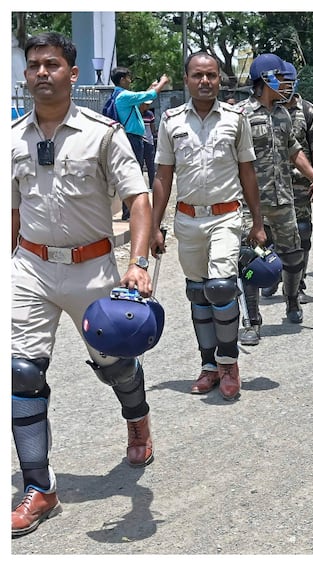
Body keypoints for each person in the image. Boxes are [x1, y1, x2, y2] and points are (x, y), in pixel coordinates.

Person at [11, 32, 154, 537]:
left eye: (52, 64)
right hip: (30, 267)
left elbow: (138, 199)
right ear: (25, 74)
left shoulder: (103, 133)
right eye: (33, 65)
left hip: (93, 269)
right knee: (23, 373)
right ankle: (39, 486)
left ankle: (136, 416)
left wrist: (137, 261)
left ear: (73, 75)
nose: (41, 72)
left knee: (114, 363)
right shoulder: (12, 137)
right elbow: (12, 209)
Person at [150, 51, 266, 400]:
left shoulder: (235, 119)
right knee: (198, 292)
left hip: (226, 216)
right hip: (187, 219)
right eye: (198, 75)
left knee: (220, 287)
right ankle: (208, 365)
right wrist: (155, 226)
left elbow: (248, 171)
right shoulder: (170, 122)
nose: (205, 81)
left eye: (211, 76)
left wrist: (257, 222)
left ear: (219, 79)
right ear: (186, 80)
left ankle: (229, 361)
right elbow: (162, 176)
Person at [235, 53, 313, 341]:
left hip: (283, 200)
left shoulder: (283, 114)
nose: (286, 84)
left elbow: (295, 151)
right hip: (250, 203)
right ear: (265, 80)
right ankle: (252, 321)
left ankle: (291, 299)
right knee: (250, 260)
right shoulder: (241, 115)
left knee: (293, 256)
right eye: (279, 77)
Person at [280, 60, 313, 305]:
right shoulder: (264, 110)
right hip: (270, 185)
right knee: (267, 234)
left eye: (289, 82)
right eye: (280, 82)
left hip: (300, 184)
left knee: (303, 234)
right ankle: (271, 277)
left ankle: (298, 284)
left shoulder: (308, 111)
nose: (284, 87)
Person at [109, 66, 170, 220]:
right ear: (122, 79)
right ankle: (129, 213)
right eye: (128, 78)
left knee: (132, 174)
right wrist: (163, 82)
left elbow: (144, 99)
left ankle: (129, 212)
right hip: (131, 139)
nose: (130, 81)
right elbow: (149, 95)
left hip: (134, 138)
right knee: (132, 175)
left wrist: (152, 87)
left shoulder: (121, 95)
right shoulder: (123, 96)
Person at [140, 101, 157, 191]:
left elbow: (152, 127)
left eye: (148, 105)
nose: (147, 106)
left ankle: (152, 186)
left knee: (151, 165)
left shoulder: (150, 114)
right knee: (140, 164)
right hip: (140, 141)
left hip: (149, 142)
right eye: (146, 104)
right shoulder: (137, 114)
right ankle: (140, 187)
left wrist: (154, 136)